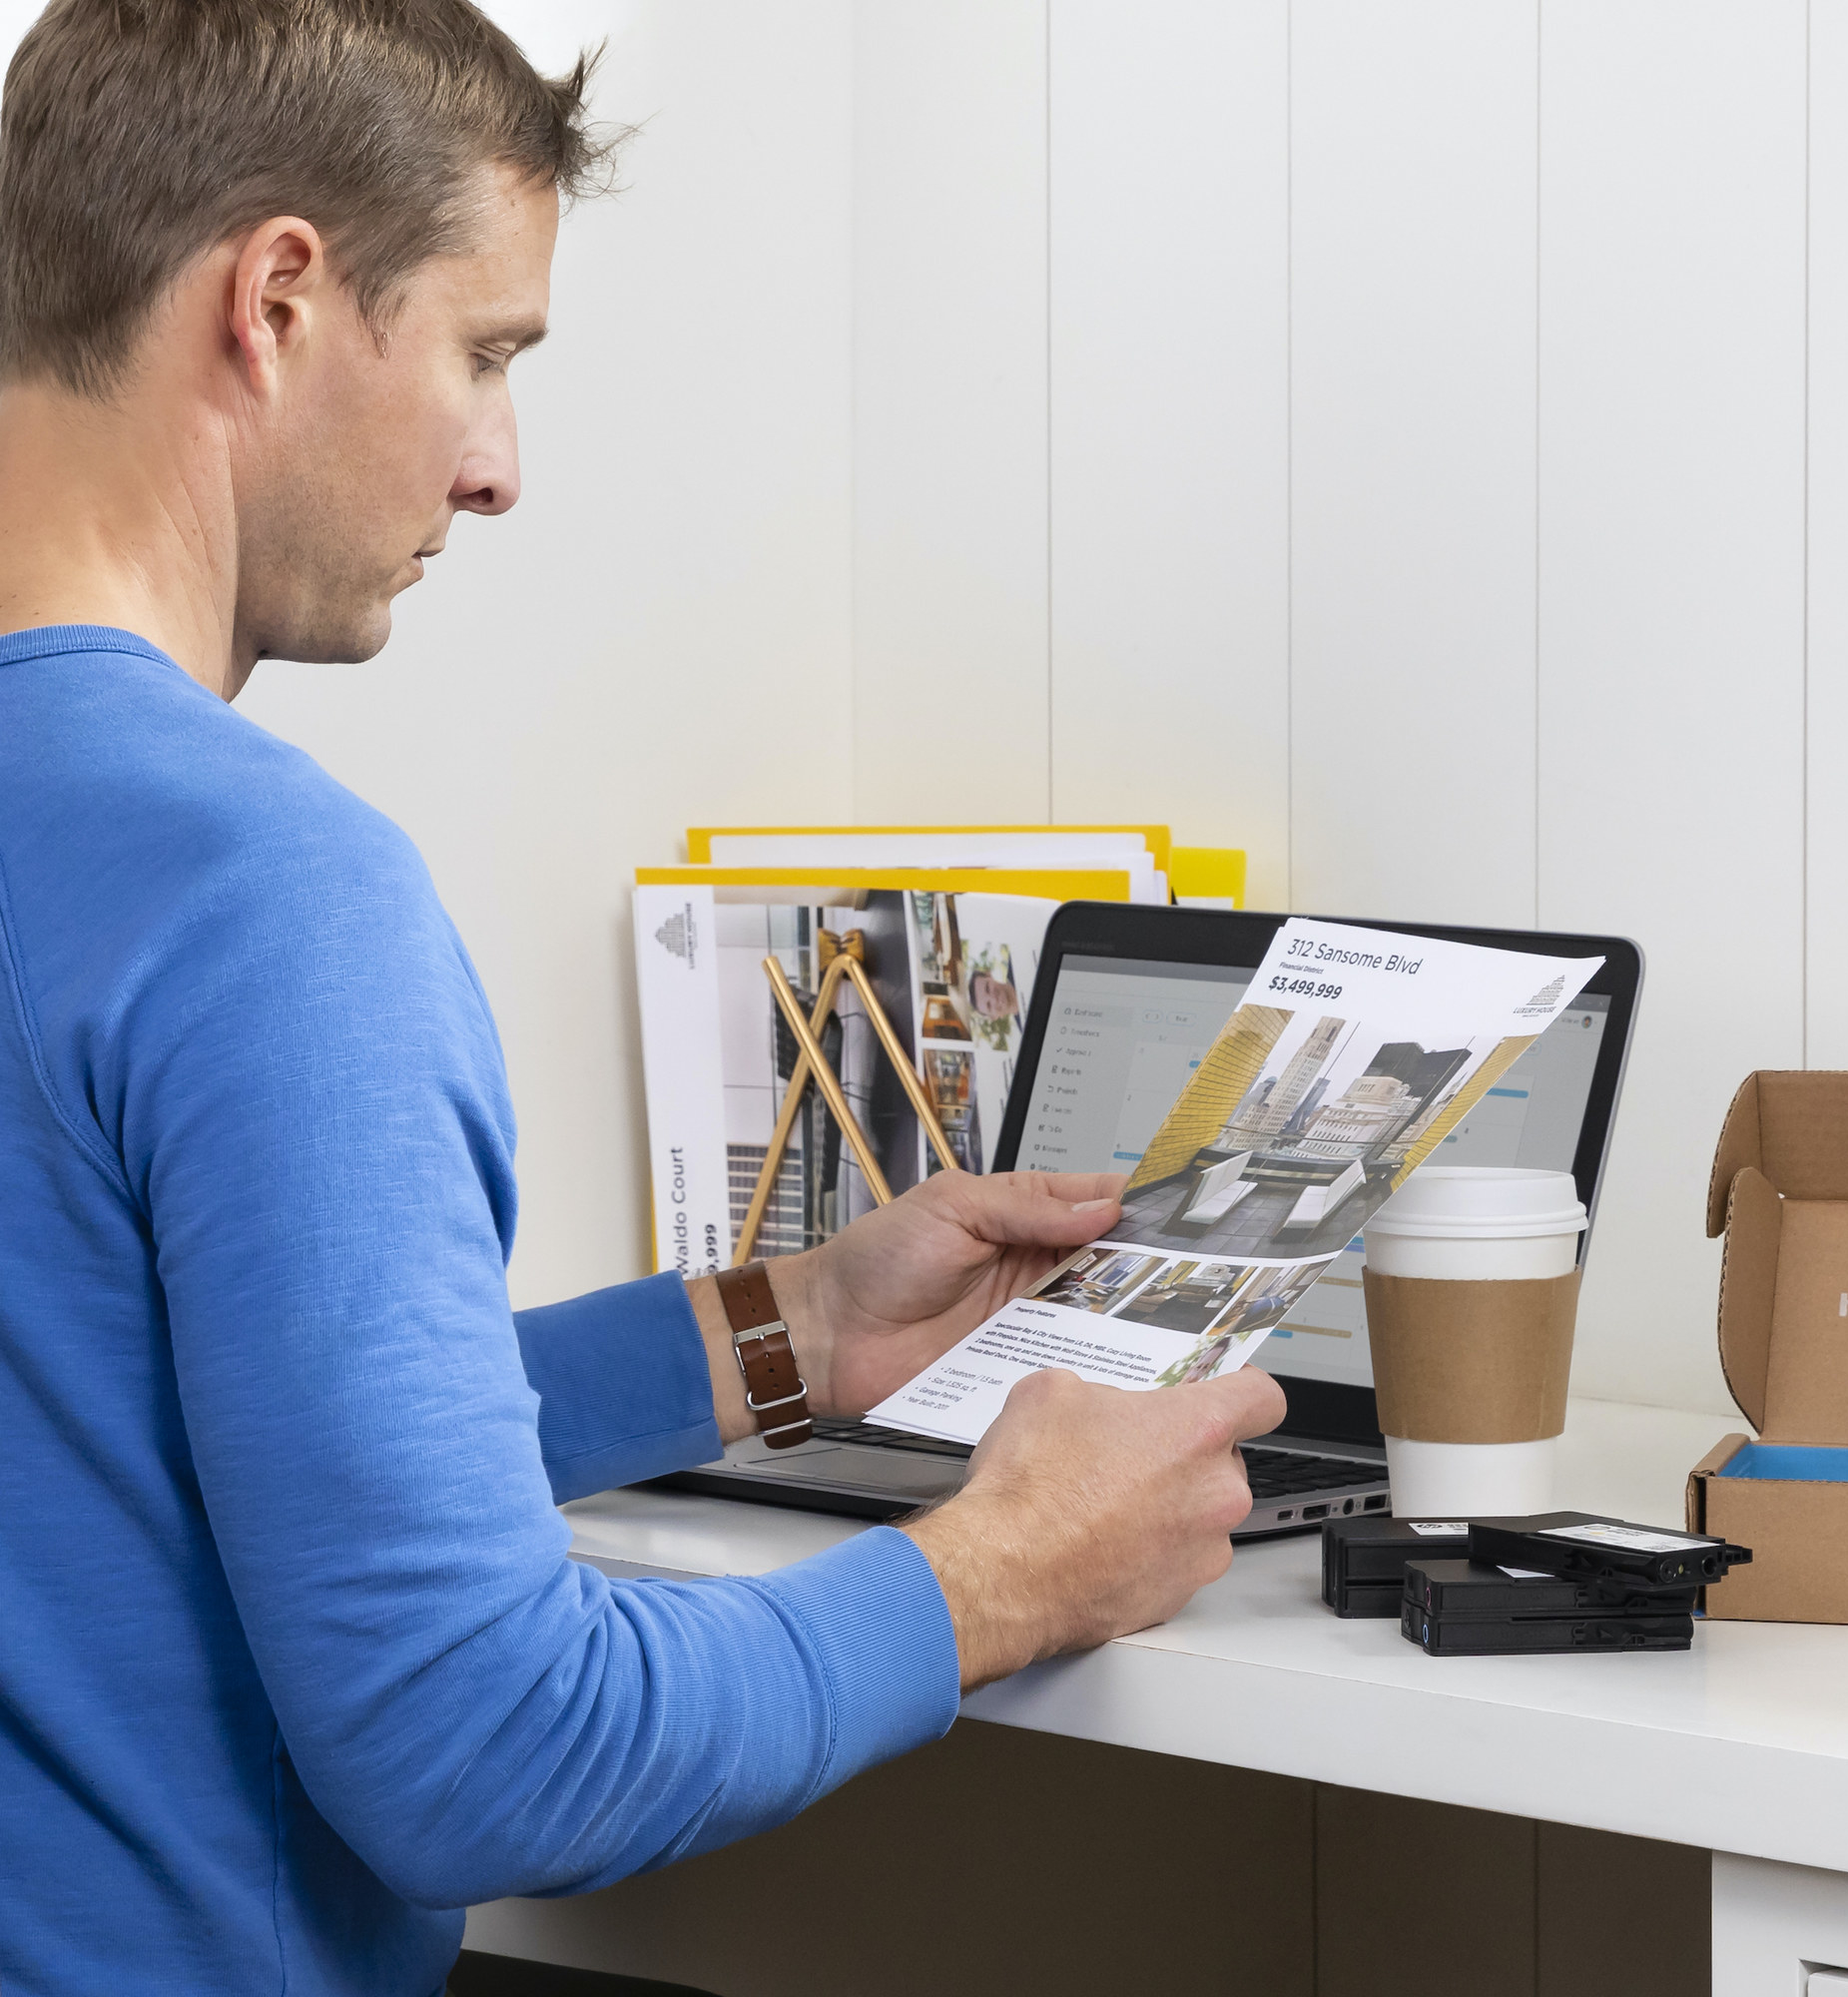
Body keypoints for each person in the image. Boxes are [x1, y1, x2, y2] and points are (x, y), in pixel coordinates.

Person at [0, 4, 1286, 1992]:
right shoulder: (264, 898)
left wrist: (763, 1335)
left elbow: (144, 1443)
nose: (500, 467)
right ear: (276, 301)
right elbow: (487, 1752)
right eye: (486, 350)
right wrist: (1001, 1565)